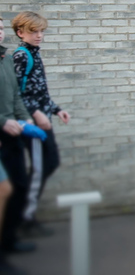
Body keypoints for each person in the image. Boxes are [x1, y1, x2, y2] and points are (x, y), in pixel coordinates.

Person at [11, 12, 70, 238]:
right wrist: (36, 114)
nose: (39, 35)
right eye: (33, 31)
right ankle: (24, 219)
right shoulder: (21, 56)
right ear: (20, 33)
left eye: (41, 31)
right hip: (33, 124)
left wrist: (56, 109)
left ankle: (22, 214)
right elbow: (15, 94)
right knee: (39, 169)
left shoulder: (34, 53)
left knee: (50, 162)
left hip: (44, 120)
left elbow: (38, 90)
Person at [0, 14, 35, 263]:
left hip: (13, 131)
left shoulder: (7, 58)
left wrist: (26, 118)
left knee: (19, 186)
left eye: (0, 28)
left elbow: (15, 96)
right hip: (3, 128)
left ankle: (8, 240)